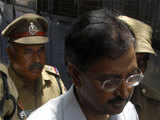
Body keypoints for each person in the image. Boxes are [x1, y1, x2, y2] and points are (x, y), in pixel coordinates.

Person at [27, 9, 143, 120]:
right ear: (76, 75)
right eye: (111, 82)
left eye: (131, 77)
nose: (124, 93)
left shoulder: (128, 113)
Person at [1, 13, 66, 120]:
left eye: (41, 50)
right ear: (10, 53)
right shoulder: (3, 88)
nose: (37, 59)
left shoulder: (53, 81)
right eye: (28, 52)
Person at [118, 16, 159, 120]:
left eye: (143, 61)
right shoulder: (91, 97)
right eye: (132, 59)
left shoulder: (153, 105)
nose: (136, 68)